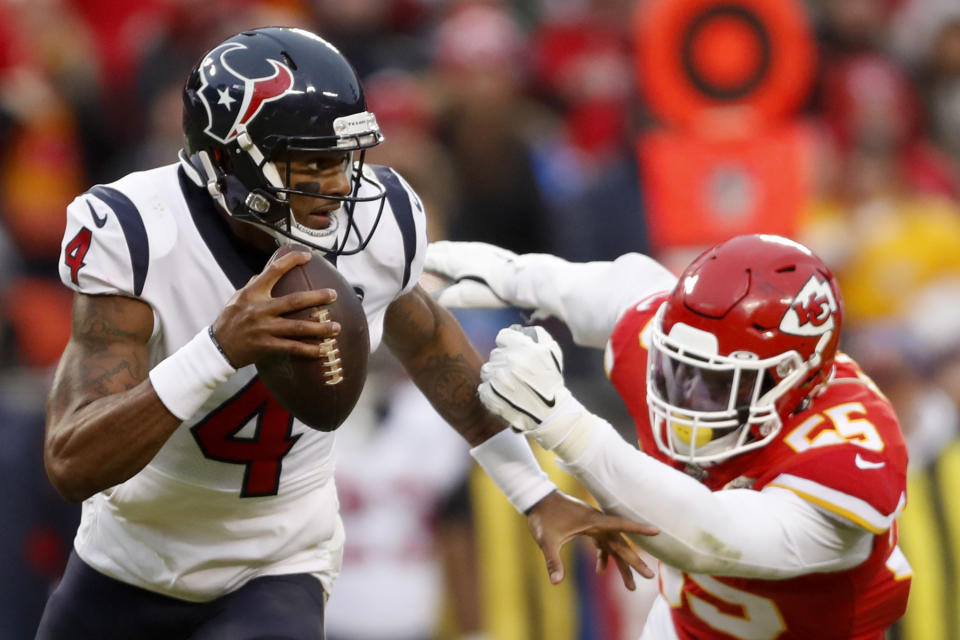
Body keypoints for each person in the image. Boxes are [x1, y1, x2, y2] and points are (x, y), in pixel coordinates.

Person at [36, 27, 656, 640]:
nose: (338, 186)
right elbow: (71, 461)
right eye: (310, 163)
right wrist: (218, 351)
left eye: (344, 160)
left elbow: (433, 346)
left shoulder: (376, 221)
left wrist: (533, 491)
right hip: (126, 558)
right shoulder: (138, 231)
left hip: (275, 563)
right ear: (224, 158)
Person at [426, 234, 912, 639]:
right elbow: (618, 291)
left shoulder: (847, 460)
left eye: (719, 382)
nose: (687, 396)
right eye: (678, 369)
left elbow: (709, 538)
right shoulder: (674, 337)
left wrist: (563, 425)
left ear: (792, 378)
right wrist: (516, 275)